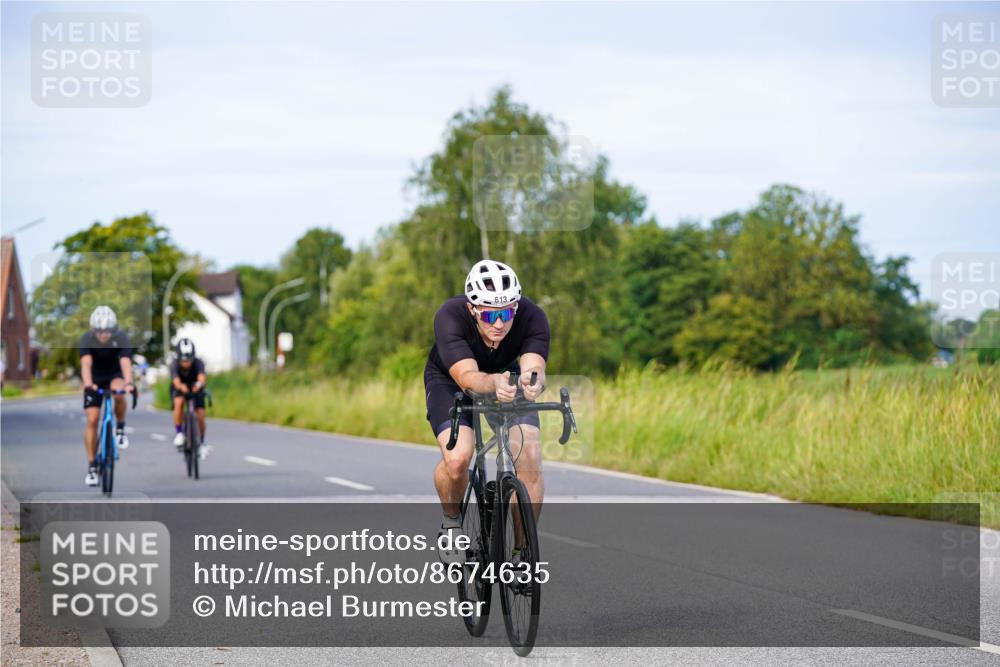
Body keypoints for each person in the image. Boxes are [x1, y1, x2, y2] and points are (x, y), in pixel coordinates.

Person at [424, 260, 549, 562]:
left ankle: (521, 553)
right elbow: (468, 377)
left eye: (506, 313)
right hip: (452, 380)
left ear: (516, 308)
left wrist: (533, 382)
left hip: (506, 379)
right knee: (458, 459)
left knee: (529, 456)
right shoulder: (450, 316)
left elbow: (533, 366)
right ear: (471, 309)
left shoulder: (532, 316)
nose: (499, 323)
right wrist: (492, 382)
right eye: (490, 314)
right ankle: (452, 523)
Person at [79, 305, 135, 486]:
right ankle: (92, 466)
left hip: (114, 375)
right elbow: (86, 364)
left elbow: (126, 363)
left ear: (114, 329)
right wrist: (88, 384)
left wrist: (128, 383)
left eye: (108, 331)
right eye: (99, 331)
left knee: (119, 393)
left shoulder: (122, 338)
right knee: (93, 419)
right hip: (94, 378)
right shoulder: (86, 339)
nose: (104, 335)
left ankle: (120, 428)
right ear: (93, 329)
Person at [170, 338, 209, 459]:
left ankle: (202, 441)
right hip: (180, 388)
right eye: (184, 360)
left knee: (201, 415)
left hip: (195, 387)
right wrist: (181, 387)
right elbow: (176, 381)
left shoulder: (198, 362)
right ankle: (179, 433)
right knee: (179, 402)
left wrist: (199, 385)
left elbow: (202, 377)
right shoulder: (174, 364)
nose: (186, 363)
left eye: (189, 359)